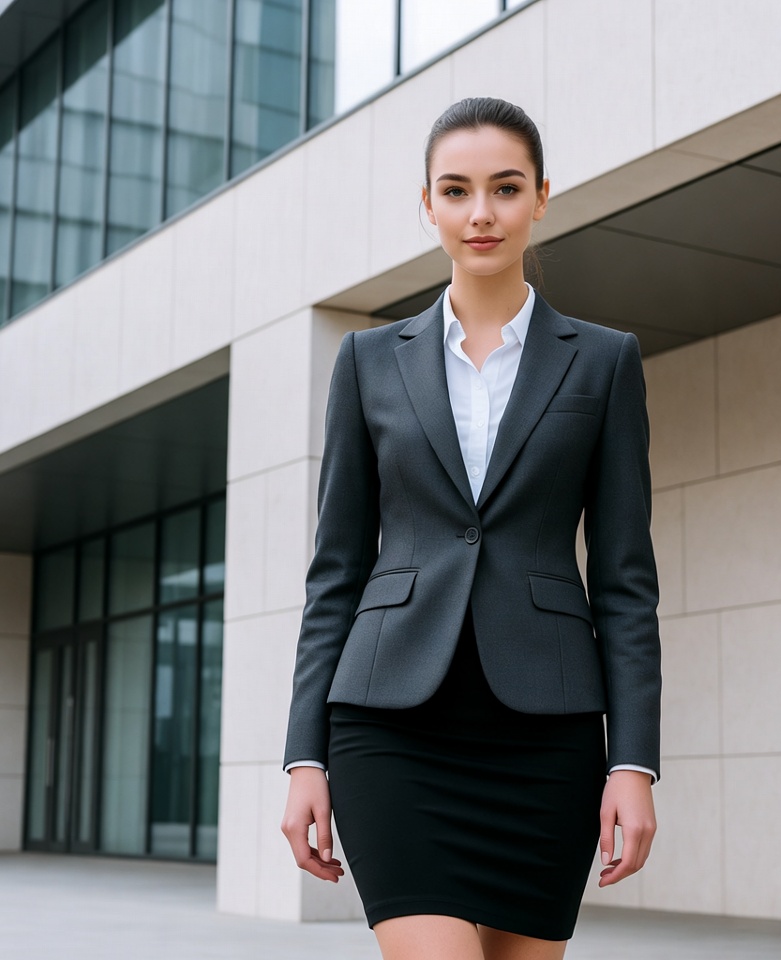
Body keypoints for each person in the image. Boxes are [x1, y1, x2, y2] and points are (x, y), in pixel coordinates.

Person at [281, 97, 661, 960]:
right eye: (456, 190)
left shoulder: (604, 361)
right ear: (428, 204)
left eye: (504, 188)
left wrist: (632, 764)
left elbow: (627, 580)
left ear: (541, 198)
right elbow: (335, 570)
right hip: (389, 725)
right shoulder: (368, 362)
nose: (480, 213)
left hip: (546, 733)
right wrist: (304, 754)